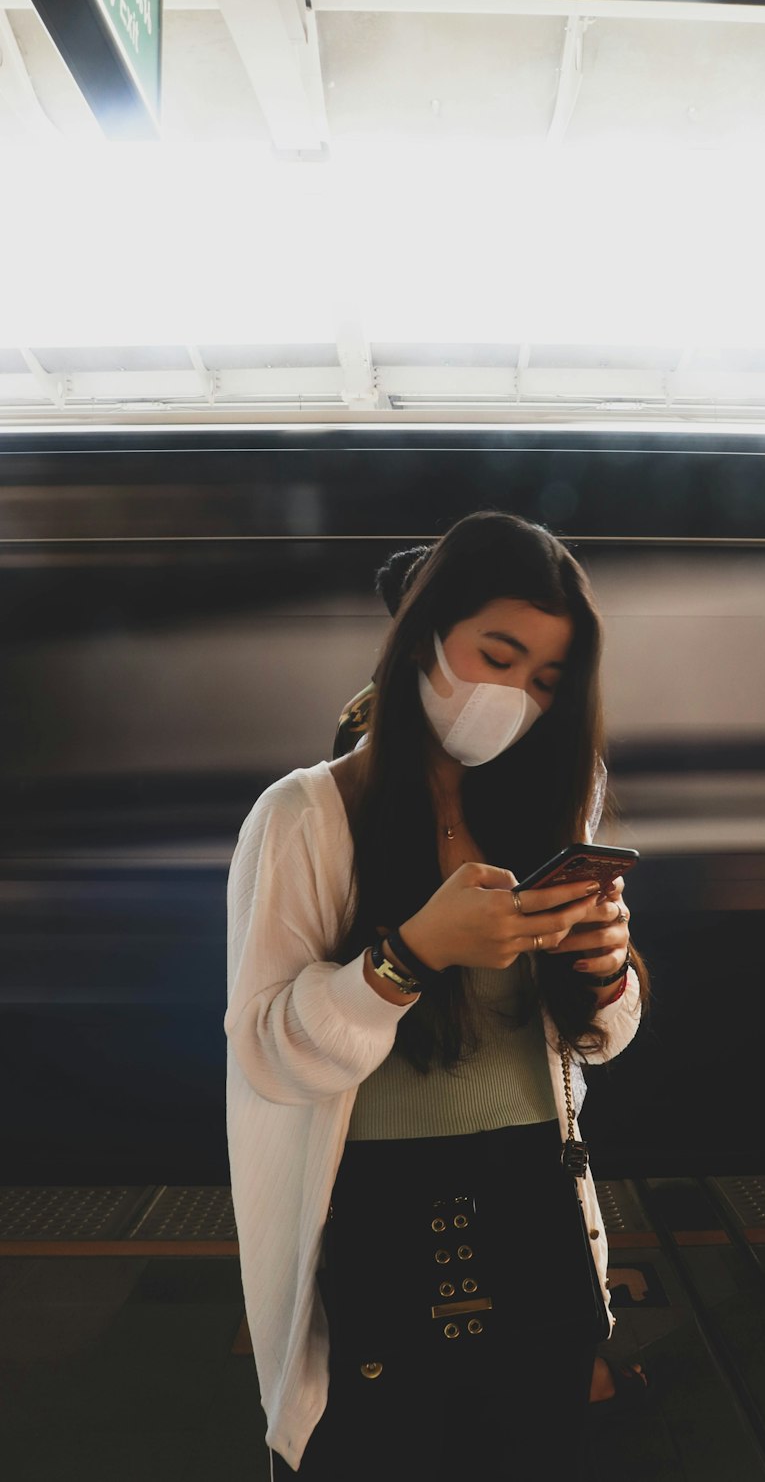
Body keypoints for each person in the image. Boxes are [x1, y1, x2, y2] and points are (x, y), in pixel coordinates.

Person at [225, 511, 649, 1479]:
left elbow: (596, 1044)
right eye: (497, 655)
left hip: (537, 1205)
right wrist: (407, 957)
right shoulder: (308, 814)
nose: (517, 696)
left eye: (545, 680)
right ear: (422, 636)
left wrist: (608, 967)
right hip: (374, 1220)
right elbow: (264, 1051)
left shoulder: (555, 804)